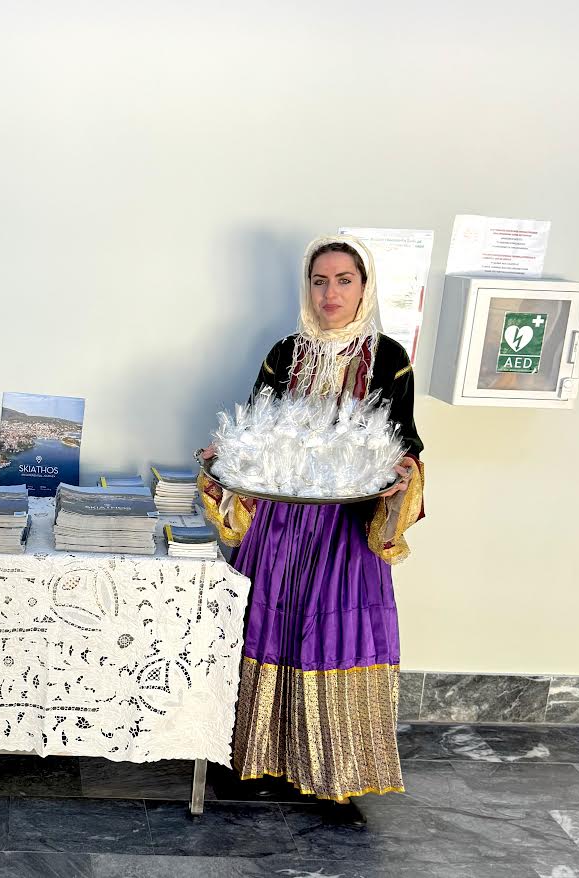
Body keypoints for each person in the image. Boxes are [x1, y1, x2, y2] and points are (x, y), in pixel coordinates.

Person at [199, 234, 425, 821]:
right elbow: (255, 428)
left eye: (344, 280)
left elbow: (404, 440)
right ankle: (256, 759)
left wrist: (402, 471)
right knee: (267, 627)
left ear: (364, 286)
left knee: (333, 632)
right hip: (280, 522)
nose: (331, 293)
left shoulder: (388, 358)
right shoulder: (285, 354)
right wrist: (228, 455)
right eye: (320, 281)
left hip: (344, 530)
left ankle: (331, 768)